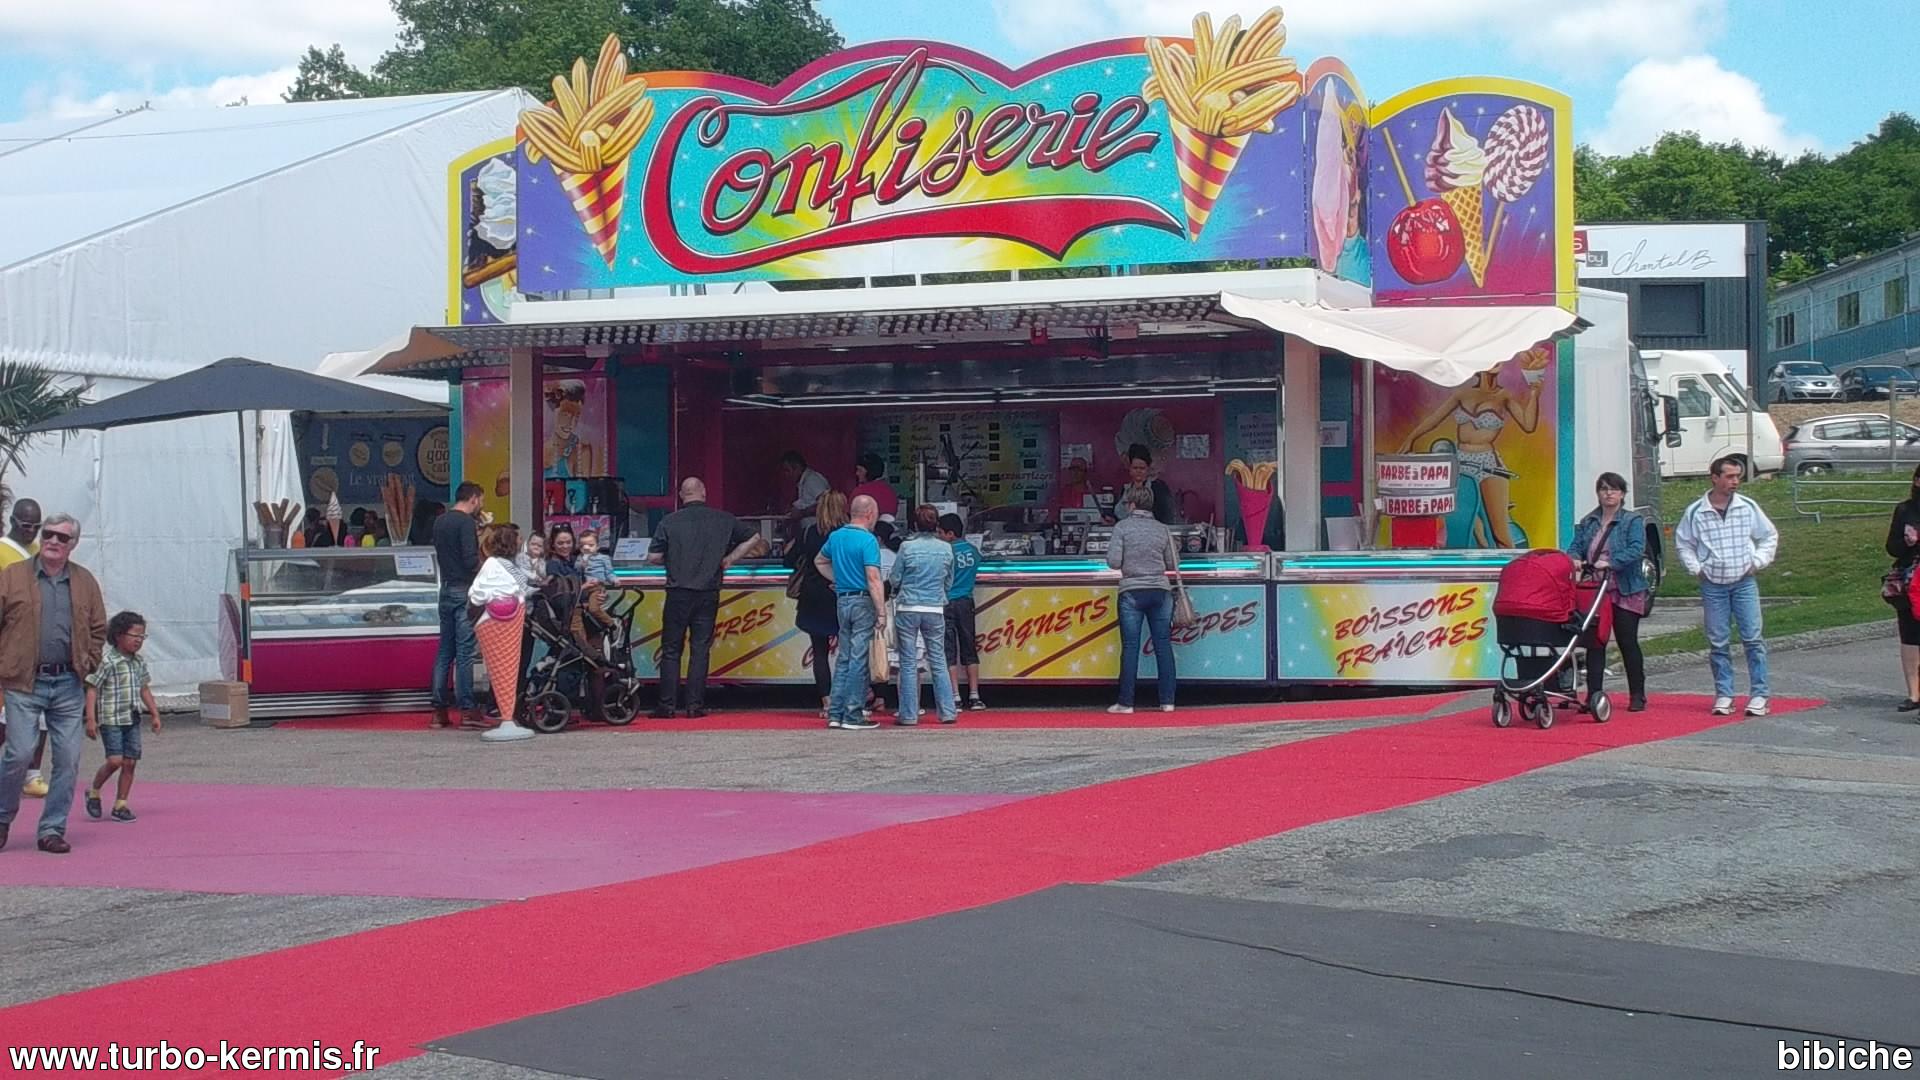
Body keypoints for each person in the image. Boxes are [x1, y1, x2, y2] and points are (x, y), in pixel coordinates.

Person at [0, 513, 109, 854]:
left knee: (68, 760)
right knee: (19, 753)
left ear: (72, 544)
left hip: (67, 682)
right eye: (48, 534)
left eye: (62, 537)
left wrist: (88, 663)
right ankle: (2, 818)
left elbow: (98, 628)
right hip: (23, 680)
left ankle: (52, 829)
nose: (53, 541)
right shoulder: (12, 576)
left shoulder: (85, 581)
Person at [1396, 347, 1549, 548]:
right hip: (1461, 461)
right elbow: (1434, 419)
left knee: (1500, 531)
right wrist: (1411, 438)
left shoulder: (1504, 396)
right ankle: (1479, 559)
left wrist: (1535, 394)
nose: (1495, 361)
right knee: (1467, 524)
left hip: (1488, 463)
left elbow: (1528, 425)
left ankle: (1510, 563)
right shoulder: (1463, 394)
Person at [648, 478, 767, 718]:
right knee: (700, 649)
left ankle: (667, 706)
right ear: (703, 492)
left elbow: (653, 557)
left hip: (678, 592)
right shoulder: (723, 519)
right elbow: (755, 537)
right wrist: (730, 559)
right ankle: (695, 706)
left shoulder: (669, 521)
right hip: (708, 591)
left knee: (671, 649)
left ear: (681, 495)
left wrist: (673, 558)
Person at [1675, 455, 1778, 717]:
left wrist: (1757, 562)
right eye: (1730, 476)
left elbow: (1768, 535)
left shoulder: (1747, 507)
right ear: (1715, 478)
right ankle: (1724, 694)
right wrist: (1697, 569)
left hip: (1744, 582)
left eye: (1737, 476)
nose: (1735, 481)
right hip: (1713, 585)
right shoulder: (1696, 511)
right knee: (1718, 642)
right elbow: (1684, 543)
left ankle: (1759, 694)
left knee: (1753, 638)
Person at [1565, 472, 1650, 713]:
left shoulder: (1632, 521)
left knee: (1627, 641)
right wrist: (1575, 559)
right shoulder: (1589, 521)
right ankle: (1594, 695)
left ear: (1622, 494)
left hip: (1625, 588)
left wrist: (1612, 562)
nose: (1609, 493)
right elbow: (1575, 546)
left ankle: (1637, 694)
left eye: (1614, 489)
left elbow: (1636, 549)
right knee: (1595, 642)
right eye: (1604, 489)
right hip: (1596, 589)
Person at [816, 494, 886, 730]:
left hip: (842, 600)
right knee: (858, 658)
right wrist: (881, 611)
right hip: (862, 601)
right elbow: (873, 578)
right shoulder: (868, 540)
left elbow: (820, 561)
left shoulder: (836, 537)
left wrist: (838, 579)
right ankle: (853, 713)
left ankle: (835, 712)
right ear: (870, 514)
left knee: (844, 658)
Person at [1106, 487, 1177, 714]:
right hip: (1160, 592)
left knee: (1130, 647)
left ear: (1132, 505)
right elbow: (1172, 563)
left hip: (1132, 592)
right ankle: (1167, 701)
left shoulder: (1122, 527)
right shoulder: (1163, 529)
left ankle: (1126, 703)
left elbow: (1113, 562)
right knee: (1163, 645)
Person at [84, 611, 159, 822]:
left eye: (142, 636)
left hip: (132, 718)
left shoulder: (138, 662)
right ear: (118, 635)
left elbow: (144, 689)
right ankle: (94, 791)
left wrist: (155, 714)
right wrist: (91, 719)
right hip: (111, 719)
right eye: (134, 635)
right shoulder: (107, 661)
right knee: (115, 761)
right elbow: (92, 688)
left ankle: (121, 804)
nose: (138, 640)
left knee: (130, 762)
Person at [888, 505, 957, 726]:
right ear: (936, 524)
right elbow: (949, 581)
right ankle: (947, 712)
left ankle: (909, 715)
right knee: (938, 660)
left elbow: (895, 579)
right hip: (934, 608)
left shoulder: (907, 547)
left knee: (908, 662)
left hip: (908, 607)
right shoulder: (946, 549)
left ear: (915, 524)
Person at [0, 498, 48, 797]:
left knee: (41, 715)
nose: (31, 531)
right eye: (26, 525)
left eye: (36, 526)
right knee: (6, 716)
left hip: (39, 647)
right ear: (13, 521)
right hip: (10, 645)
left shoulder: (39, 551)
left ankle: (32, 774)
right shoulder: (2, 551)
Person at [786, 490, 847, 717]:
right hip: (841, 594)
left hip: (813, 595)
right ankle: (847, 699)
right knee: (848, 651)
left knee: (819, 652)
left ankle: (827, 702)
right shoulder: (848, 533)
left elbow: (789, 560)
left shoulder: (810, 532)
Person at [430, 482, 485, 730]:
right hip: (464, 589)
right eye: (480, 500)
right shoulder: (465, 523)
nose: (481, 505)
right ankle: (467, 709)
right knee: (465, 652)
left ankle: (438, 710)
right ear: (473, 498)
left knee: (445, 650)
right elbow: (470, 559)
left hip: (445, 588)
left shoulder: (440, 521)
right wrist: (486, 569)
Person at [937, 513, 985, 711]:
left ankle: (955, 696)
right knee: (969, 647)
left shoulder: (945, 552)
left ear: (950, 534)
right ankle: (974, 695)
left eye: (940, 533)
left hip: (946, 602)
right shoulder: (973, 550)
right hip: (966, 601)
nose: (938, 536)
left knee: (949, 650)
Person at [1884, 463, 1920, 711]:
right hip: (1909, 579)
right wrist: (1908, 542)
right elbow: (1891, 547)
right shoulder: (1905, 509)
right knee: (1910, 635)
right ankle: (1914, 694)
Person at [1104, 444, 1177, 525]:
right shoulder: (1125, 489)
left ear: (1148, 469)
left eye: (1142, 468)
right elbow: (1118, 517)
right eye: (1135, 468)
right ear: (1130, 469)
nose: (1138, 471)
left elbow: (1167, 518)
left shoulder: (1159, 489)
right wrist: (1112, 520)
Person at [780, 451, 831, 536]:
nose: (786, 475)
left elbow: (826, 504)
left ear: (797, 468)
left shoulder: (812, 480)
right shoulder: (803, 482)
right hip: (811, 531)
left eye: (787, 470)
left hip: (819, 532)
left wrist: (802, 513)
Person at [852, 454, 901, 521]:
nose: (857, 473)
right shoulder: (890, 491)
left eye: (860, 470)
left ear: (869, 472)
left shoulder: (860, 492)